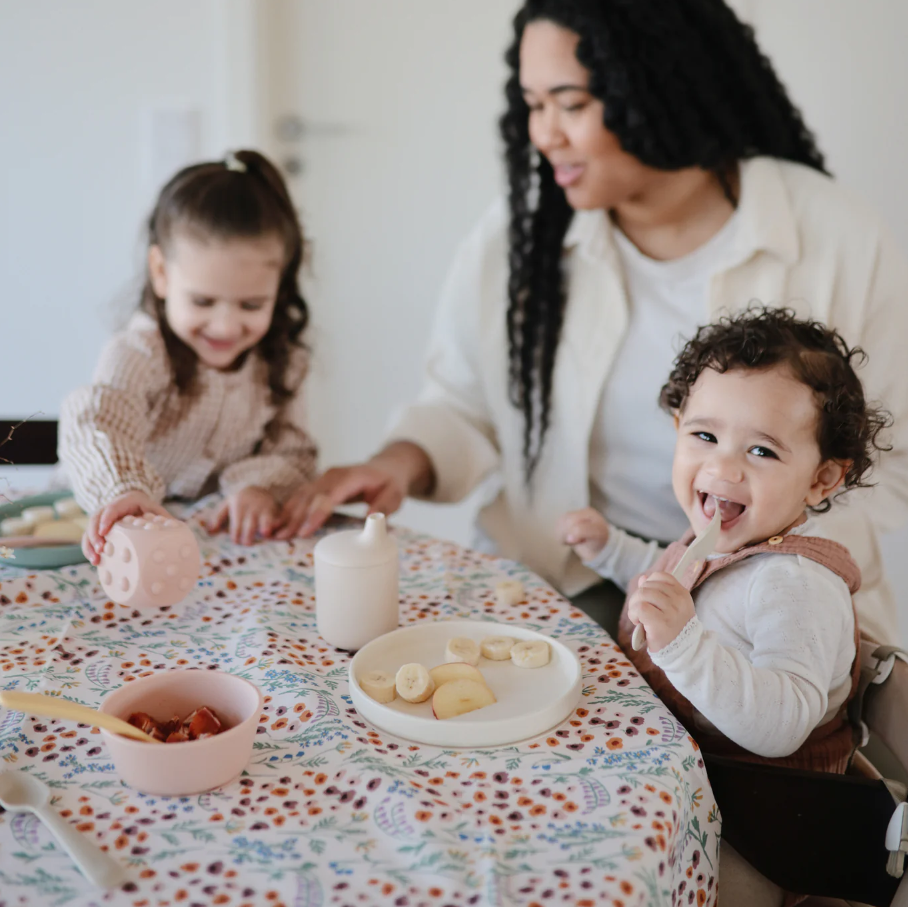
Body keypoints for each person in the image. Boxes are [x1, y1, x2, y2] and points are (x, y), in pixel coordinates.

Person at [277, 0, 908, 646]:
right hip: (556, 589)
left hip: (761, 623)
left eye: (570, 104)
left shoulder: (837, 239)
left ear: (658, 89)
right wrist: (398, 464)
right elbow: (462, 405)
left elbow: (887, 464)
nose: (543, 133)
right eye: (533, 104)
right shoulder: (521, 239)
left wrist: (734, 574)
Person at [558, 306, 890, 907]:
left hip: (762, 827)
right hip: (686, 779)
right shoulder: (719, 541)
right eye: (705, 436)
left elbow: (783, 727)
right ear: (678, 426)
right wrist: (610, 550)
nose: (723, 466)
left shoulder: (793, 583)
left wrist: (683, 643)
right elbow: (668, 575)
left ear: (822, 480)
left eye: (761, 451)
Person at [59, 150, 317, 564]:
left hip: (209, 550)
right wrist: (124, 490)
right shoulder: (139, 354)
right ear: (161, 273)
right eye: (202, 301)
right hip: (110, 539)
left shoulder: (284, 362)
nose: (226, 326)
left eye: (251, 305)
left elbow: (293, 450)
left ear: (279, 286)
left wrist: (257, 488)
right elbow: (95, 422)